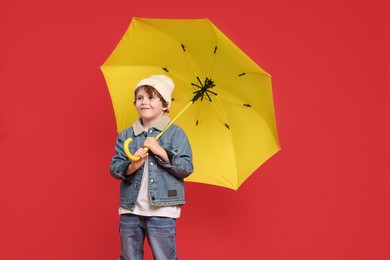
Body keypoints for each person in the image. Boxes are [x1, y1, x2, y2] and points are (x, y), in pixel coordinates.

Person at [110, 75, 194, 260]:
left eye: (150, 98)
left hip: (162, 210)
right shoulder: (127, 134)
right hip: (131, 210)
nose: (144, 102)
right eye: (140, 98)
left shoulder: (175, 133)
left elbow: (186, 167)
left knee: (164, 257)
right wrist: (132, 166)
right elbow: (115, 168)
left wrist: (161, 152)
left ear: (165, 105)